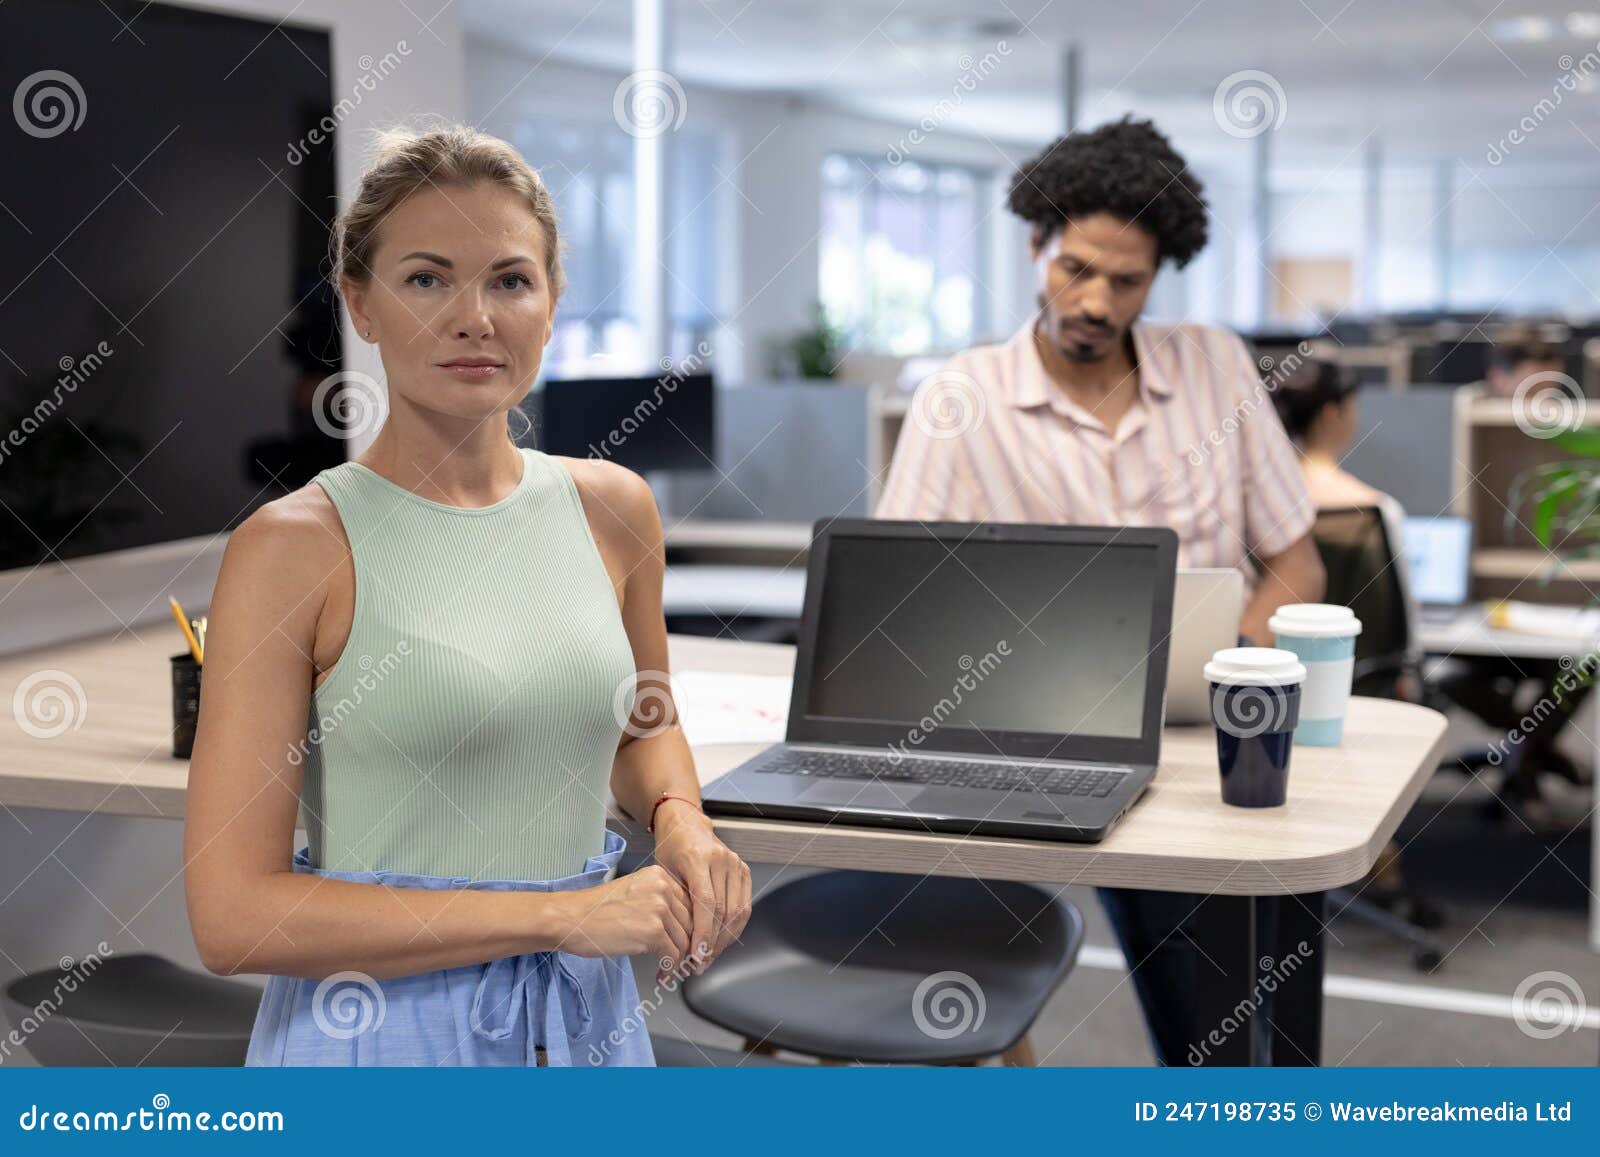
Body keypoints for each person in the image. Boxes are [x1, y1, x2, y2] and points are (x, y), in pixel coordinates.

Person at [183, 124, 751, 1067]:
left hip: (582, 1029)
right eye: (426, 278)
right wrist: (561, 914)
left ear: (554, 301)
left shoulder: (613, 509)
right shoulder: (292, 548)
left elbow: (641, 724)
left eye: (510, 279)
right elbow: (233, 917)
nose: (474, 316)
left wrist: (678, 817)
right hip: (382, 1040)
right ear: (359, 305)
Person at [875, 116, 1326, 1065]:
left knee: (1246, 1023)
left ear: (1159, 274)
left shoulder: (1214, 367)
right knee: (943, 981)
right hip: (1022, 746)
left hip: (1204, 737)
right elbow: (903, 602)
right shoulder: (962, 399)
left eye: (1126, 281)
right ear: (1036, 243)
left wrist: (1244, 653)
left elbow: (1296, 558)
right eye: (1074, 268)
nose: (1095, 299)